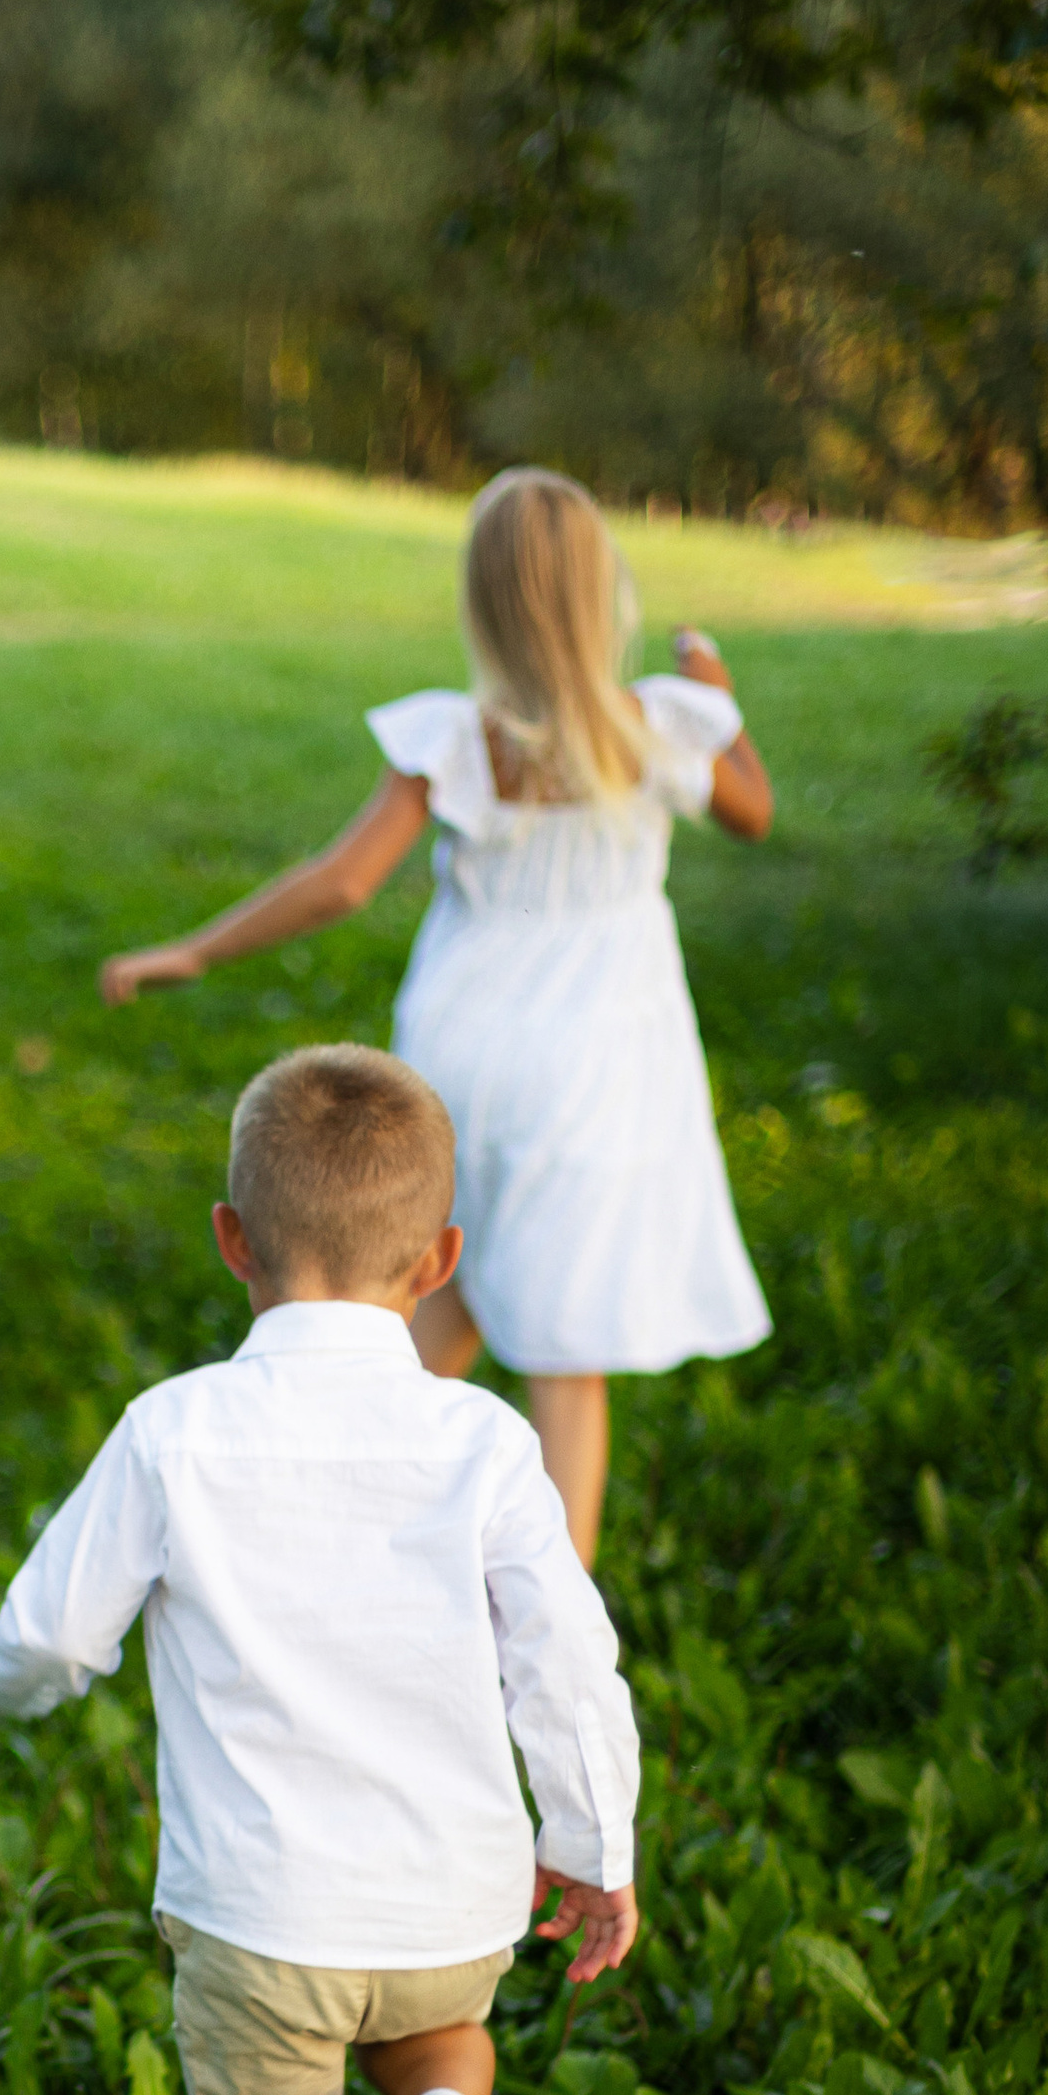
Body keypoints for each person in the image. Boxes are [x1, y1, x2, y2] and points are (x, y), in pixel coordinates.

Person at [0, 1043, 641, 2095]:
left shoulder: (175, 1429)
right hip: (450, 1898)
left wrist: (5, 1678)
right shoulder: (483, 1439)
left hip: (262, 1916)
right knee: (436, 2022)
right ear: (442, 1261)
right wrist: (593, 1848)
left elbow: (55, 1632)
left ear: (230, 1238)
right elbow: (567, 1660)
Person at [98, 467, 774, 1568]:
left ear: (484, 603)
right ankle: (545, 1633)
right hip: (594, 1056)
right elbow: (752, 809)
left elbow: (340, 882)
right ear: (605, 591)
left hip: (461, 1045)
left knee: (430, 1294)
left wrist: (196, 949)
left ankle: (310, 1531)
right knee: (562, 1353)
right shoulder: (656, 724)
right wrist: (715, 682)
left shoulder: (455, 739)